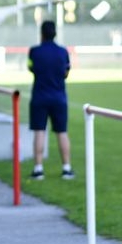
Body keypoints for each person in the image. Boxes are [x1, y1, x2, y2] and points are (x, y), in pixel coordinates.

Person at [28, 20, 75, 180]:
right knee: (62, 132)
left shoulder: (34, 51)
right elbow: (66, 72)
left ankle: (38, 168)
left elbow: (31, 68)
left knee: (39, 132)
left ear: (41, 33)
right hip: (59, 97)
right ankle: (67, 168)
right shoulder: (63, 52)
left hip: (39, 97)